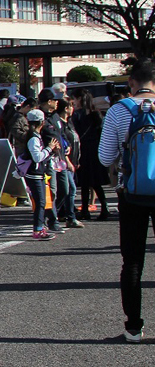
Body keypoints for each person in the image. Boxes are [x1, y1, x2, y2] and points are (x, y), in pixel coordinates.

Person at [97, 56, 155, 343]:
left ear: (132, 82)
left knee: (132, 262)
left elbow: (105, 156)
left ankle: (133, 327)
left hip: (131, 193)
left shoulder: (119, 111)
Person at [18, 108, 59, 240]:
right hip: (34, 173)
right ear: (41, 122)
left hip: (36, 173)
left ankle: (40, 226)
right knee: (40, 202)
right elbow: (37, 157)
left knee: (41, 202)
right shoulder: (34, 138)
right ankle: (38, 229)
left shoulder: (34, 136)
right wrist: (49, 148)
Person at [72, 90, 110, 220]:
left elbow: (75, 133)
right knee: (96, 182)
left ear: (78, 99)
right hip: (96, 150)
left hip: (83, 150)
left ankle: (85, 210)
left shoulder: (77, 115)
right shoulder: (97, 114)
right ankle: (104, 208)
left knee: (84, 182)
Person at [51, 98, 83, 228]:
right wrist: (68, 161)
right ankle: (66, 215)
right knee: (69, 189)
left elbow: (71, 144)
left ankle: (59, 214)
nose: (73, 108)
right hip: (63, 162)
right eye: (71, 106)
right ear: (66, 108)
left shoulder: (69, 123)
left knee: (68, 189)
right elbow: (62, 146)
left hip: (72, 161)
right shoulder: (59, 124)